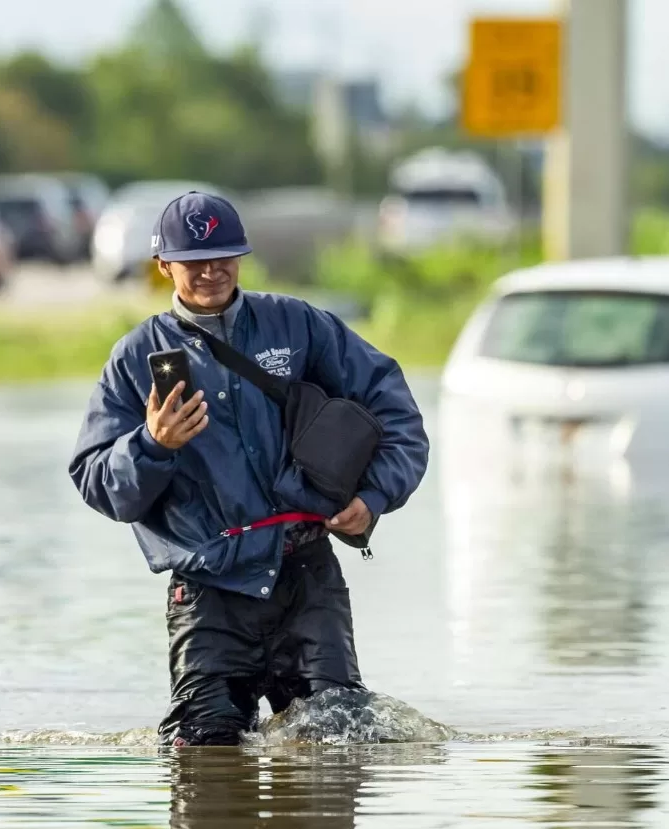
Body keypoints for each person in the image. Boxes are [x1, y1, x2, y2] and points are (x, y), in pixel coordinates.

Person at [69, 191, 429, 747]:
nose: (212, 271)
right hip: (206, 592)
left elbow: (396, 412)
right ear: (163, 264)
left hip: (308, 575)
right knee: (202, 758)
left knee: (338, 748)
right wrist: (152, 444)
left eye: (225, 256)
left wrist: (376, 496)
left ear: (242, 256)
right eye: (194, 260)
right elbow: (96, 481)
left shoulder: (300, 325)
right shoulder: (135, 357)